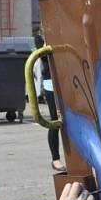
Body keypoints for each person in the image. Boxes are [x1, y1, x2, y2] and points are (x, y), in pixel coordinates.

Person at [35, 33, 64, 171]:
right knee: (55, 121)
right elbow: (43, 55)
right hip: (50, 84)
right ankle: (55, 159)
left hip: (66, 81)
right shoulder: (40, 38)